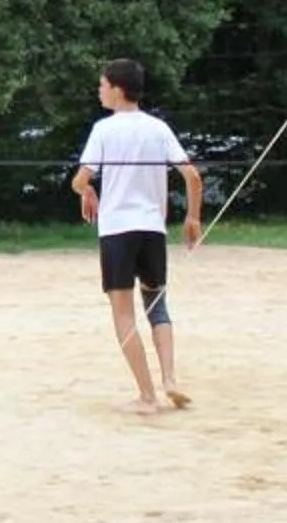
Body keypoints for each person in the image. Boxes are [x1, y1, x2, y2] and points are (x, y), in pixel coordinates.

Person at [71, 58, 204, 417]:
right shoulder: (158, 128)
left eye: (101, 85)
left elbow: (80, 179)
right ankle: (171, 380)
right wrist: (192, 218)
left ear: (116, 88)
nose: (99, 90)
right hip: (152, 230)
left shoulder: (104, 130)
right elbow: (192, 177)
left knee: (123, 314)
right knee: (157, 306)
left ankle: (147, 396)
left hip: (117, 231)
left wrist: (88, 192)